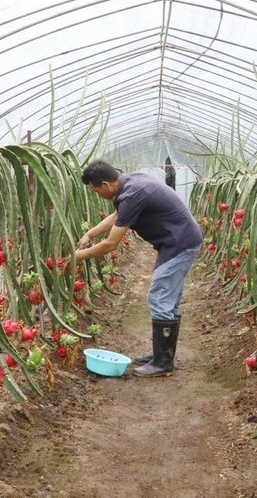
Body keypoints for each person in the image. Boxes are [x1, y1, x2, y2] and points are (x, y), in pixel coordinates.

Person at [75, 160, 203, 377]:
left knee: (160, 297)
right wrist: (91, 233)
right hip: (179, 240)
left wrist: (79, 256)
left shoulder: (132, 195)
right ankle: (162, 355)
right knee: (168, 299)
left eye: (96, 191)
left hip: (179, 243)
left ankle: (163, 363)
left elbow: (111, 244)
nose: (98, 196)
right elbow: (118, 216)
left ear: (106, 185)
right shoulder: (132, 181)